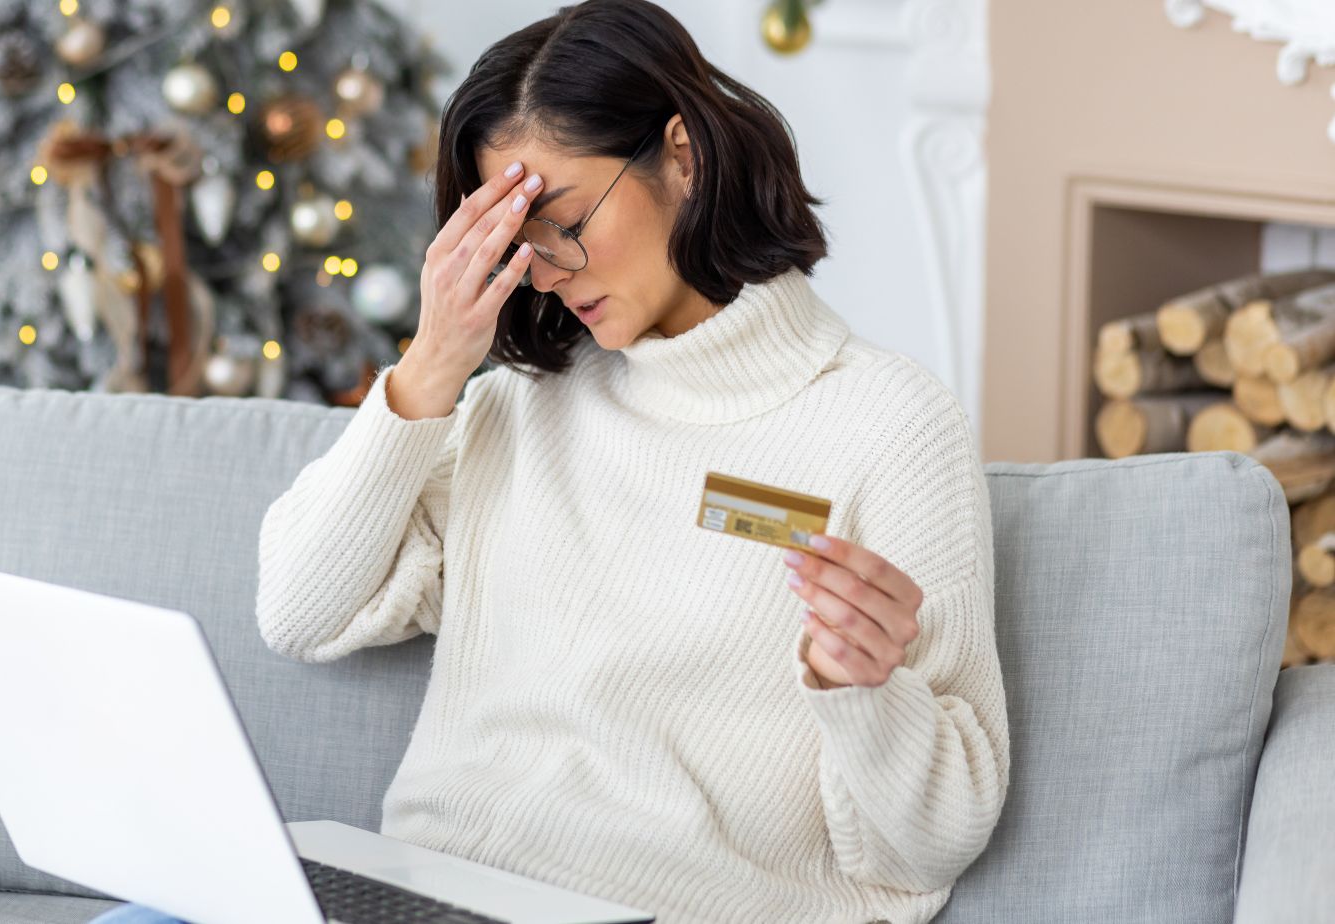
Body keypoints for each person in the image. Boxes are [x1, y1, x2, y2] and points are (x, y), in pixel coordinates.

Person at [92, 0, 1008, 922]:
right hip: (430, 892)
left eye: (564, 221)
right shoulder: (514, 407)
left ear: (681, 155)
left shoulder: (889, 424)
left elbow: (930, 845)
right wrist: (432, 363)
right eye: (519, 244)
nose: (547, 272)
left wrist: (867, 693)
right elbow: (298, 610)